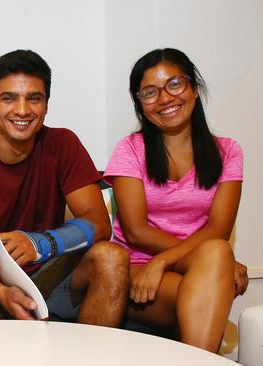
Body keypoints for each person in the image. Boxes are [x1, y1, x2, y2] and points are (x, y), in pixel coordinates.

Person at [0, 49, 128, 325]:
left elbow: (99, 224)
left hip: (50, 275)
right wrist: (1, 292)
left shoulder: (63, 145)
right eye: (9, 98)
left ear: (47, 105)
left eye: (34, 98)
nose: (23, 110)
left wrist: (40, 243)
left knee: (112, 257)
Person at [104, 48, 248, 352]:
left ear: (194, 89)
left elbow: (219, 227)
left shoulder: (229, 151)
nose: (165, 98)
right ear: (140, 104)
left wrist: (166, 260)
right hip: (138, 268)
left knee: (214, 257)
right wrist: (214, 262)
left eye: (174, 84)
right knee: (207, 286)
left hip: (189, 263)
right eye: (150, 92)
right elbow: (136, 231)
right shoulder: (130, 150)